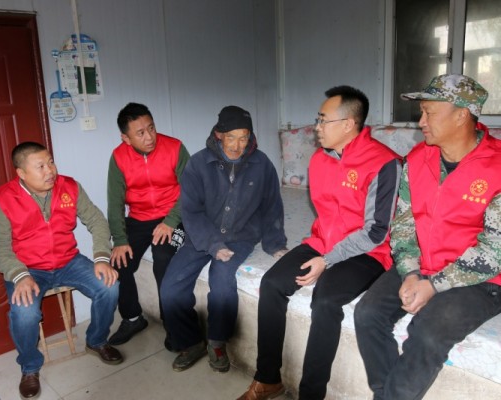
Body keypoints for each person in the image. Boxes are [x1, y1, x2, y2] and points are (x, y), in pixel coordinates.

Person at [238, 86, 401, 400]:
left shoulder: (384, 163)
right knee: (271, 284)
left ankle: (311, 395)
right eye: (318, 120)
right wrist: (323, 251)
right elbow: (325, 213)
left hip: (368, 253)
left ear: (348, 124)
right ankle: (268, 379)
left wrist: (328, 260)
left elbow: (377, 231)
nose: (316, 127)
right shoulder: (319, 160)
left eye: (323, 120)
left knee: (326, 301)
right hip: (323, 241)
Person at [354, 74, 501, 400]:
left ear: (461, 114)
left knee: (427, 334)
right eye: (421, 112)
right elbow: (404, 225)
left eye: (429, 112)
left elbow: (495, 251)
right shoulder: (419, 158)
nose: (421, 121)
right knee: (367, 314)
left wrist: (434, 285)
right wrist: (410, 272)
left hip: (481, 279)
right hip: (424, 263)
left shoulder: (498, 166)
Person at [0, 142, 121, 399]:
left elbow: (96, 220)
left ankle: (97, 340)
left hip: (68, 260)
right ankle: (29, 366)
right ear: (21, 173)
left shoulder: (69, 186)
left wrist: (102, 257)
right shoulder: (2, 199)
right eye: (40, 166)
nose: (50, 170)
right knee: (24, 312)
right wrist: (20, 275)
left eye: (51, 162)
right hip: (28, 269)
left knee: (109, 286)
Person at [160, 105, 288, 374]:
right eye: (231, 137)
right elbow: (191, 211)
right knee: (171, 287)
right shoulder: (198, 164)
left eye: (244, 137)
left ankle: (217, 342)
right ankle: (190, 342)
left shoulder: (262, 164)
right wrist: (212, 244)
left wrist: (275, 244)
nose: (237, 145)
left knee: (221, 279)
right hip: (201, 234)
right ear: (219, 134)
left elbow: (272, 206)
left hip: (241, 235)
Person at [107, 102, 189, 347]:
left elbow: (192, 191)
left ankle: (172, 324)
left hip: (177, 217)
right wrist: (120, 240)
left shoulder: (175, 147)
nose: (149, 137)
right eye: (140, 133)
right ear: (126, 138)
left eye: (151, 128)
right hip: (140, 218)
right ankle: (133, 318)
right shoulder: (119, 157)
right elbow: (115, 202)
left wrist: (171, 221)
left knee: (163, 257)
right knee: (119, 262)